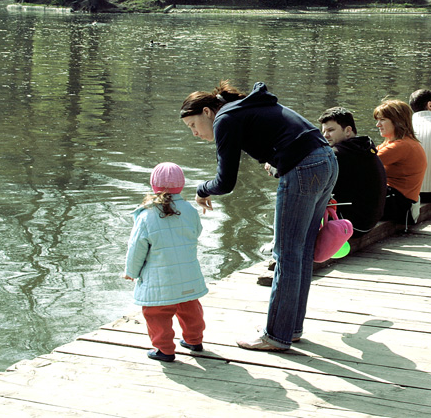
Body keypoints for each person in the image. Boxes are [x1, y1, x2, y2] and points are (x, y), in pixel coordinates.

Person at [180, 81, 337, 351]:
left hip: (305, 167)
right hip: (327, 160)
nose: (194, 133)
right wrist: (277, 159)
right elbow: (287, 134)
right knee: (300, 252)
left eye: (192, 125)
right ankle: (290, 328)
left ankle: (276, 335)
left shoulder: (225, 119)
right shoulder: (244, 108)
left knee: (286, 254)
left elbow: (225, 181)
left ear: (207, 111)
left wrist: (201, 189)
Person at [123, 162, 208, 363]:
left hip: (159, 278)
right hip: (188, 274)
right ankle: (194, 340)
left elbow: (137, 248)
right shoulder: (189, 210)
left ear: (153, 185)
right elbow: (196, 233)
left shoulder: (146, 215)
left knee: (156, 312)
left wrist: (131, 272)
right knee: (190, 308)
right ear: (181, 184)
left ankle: (164, 349)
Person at [318, 107, 387, 236]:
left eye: (331, 130)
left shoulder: (338, 155)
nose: (325, 135)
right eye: (324, 131)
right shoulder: (364, 148)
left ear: (348, 130)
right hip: (369, 222)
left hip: (352, 226)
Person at [373, 99, 427, 224]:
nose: (378, 125)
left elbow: (364, 163)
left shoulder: (401, 146)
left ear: (397, 121)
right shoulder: (394, 143)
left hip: (400, 205)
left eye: (382, 120)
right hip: (400, 202)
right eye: (377, 120)